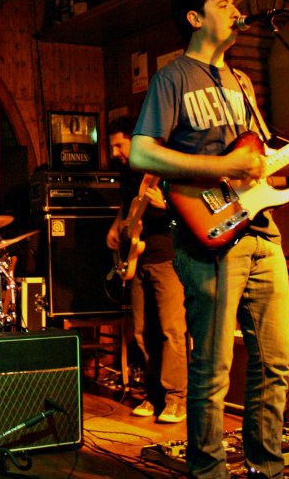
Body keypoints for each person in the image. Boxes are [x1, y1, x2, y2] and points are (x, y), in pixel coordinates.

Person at [129, 0, 289, 479]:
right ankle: (208, 472)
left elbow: (262, 161)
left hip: (261, 232)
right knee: (212, 366)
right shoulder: (173, 78)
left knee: (274, 362)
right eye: (223, 4)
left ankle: (266, 470)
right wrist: (224, 167)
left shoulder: (243, 83)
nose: (234, 10)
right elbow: (142, 152)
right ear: (194, 18)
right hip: (207, 235)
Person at [104, 116, 187, 423]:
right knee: (142, 331)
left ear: (136, 140)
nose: (115, 153)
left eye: (119, 145)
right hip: (137, 258)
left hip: (167, 256)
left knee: (171, 330)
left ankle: (176, 398)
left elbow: (193, 210)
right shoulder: (129, 174)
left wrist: (166, 204)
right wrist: (117, 226)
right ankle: (154, 395)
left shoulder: (165, 168)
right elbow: (127, 207)